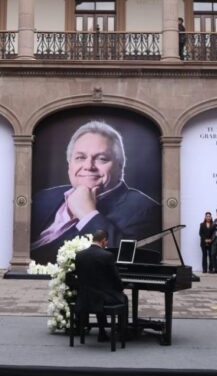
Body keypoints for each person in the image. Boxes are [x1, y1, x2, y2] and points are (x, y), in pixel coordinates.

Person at [31, 121, 161, 264]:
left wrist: (88, 215)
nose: (88, 166)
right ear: (69, 165)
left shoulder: (146, 210)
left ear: (120, 166)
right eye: (80, 157)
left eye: (101, 158)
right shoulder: (43, 197)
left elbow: (126, 262)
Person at [74, 229, 127, 342]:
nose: (107, 244)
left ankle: (102, 332)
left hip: (85, 296)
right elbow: (115, 278)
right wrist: (121, 289)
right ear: (103, 240)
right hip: (101, 297)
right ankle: (123, 333)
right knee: (124, 298)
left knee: (99, 295)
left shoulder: (79, 255)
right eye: (106, 242)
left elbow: (80, 277)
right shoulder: (107, 256)